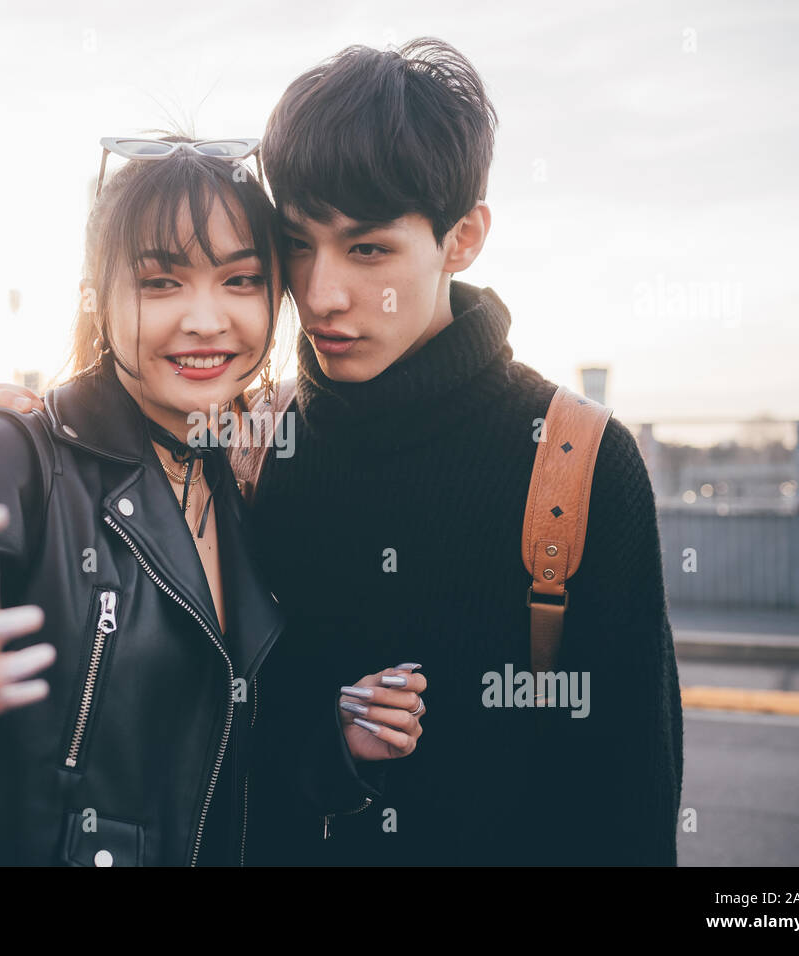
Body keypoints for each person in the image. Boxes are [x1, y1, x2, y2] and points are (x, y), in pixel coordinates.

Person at [0, 133, 424, 866]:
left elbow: (205, 759)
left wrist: (334, 744)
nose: (208, 320)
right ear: (100, 297)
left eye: (240, 280)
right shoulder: (20, 458)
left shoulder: (234, 489)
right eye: (161, 282)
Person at [238, 37, 685, 865]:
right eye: (297, 243)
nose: (321, 293)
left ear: (463, 237)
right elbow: (203, 760)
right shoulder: (253, 449)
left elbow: (630, 812)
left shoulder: (578, 464)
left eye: (367, 248)